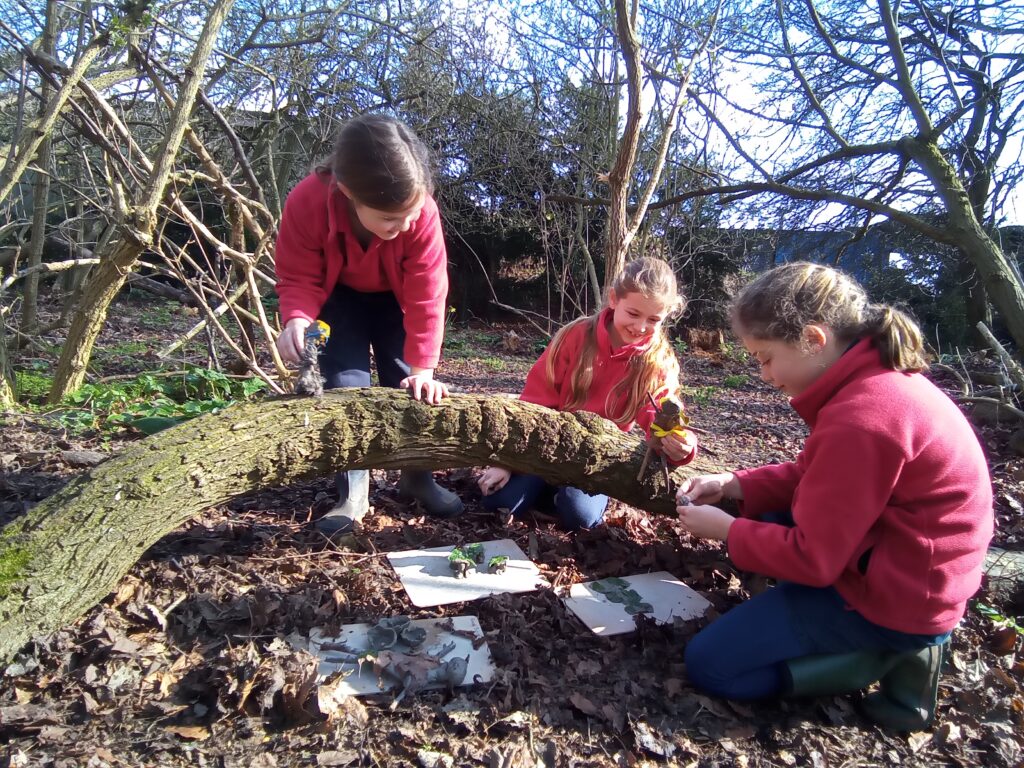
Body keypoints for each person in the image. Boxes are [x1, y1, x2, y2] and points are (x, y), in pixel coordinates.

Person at [676, 262, 993, 730]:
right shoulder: (870, 384)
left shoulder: (864, 419)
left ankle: (880, 657)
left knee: (712, 665)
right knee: (774, 514)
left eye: (765, 358)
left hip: (897, 599)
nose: (763, 374)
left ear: (814, 340)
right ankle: (892, 641)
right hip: (899, 566)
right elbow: (815, 476)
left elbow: (815, 560)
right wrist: (734, 484)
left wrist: (730, 531)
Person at [274, 114, 463, 535]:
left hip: (399, 302)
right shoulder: (307, 201)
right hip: (338, 300)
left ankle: (418, 477)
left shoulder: (422, 213)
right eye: (391, 219)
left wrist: (424, 372)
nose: (405, 226)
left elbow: (428, 293)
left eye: (411, 215)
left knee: (409, 384)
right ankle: (353, 493)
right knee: (346, 388)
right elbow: (297, 274)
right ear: (347, 192)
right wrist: (297, 318)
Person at [478, 257, 698, 531]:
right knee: (496, 503)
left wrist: (681, 443)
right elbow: (535, 401)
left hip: (595, 460)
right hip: (547, 446)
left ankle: (562, 496)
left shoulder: (658, 362)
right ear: (614, 299)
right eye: (633, 313)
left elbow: (662, 415)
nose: (641, 327)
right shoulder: (576, 336)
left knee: (579, 517)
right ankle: (546, 488)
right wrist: (507, 462)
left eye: (653, 319)